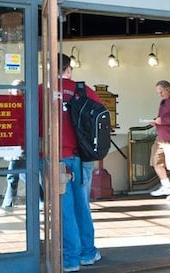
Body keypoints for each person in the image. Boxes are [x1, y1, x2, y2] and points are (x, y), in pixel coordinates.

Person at [56, 53, 102, 271]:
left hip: (56, 157)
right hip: (82, 157)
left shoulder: (41, 91)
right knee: (82, 206)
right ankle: (88, 252)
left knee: (65, 209)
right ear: (69, 69)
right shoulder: (84, 90)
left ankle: (70, 259)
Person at [0, 80, 44, 217]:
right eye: (14, 89)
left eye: (18, 88)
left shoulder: (26, 105)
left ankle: (7, 206)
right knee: (22, 175)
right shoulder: (14, 104)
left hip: (24, 144)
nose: (16, 91)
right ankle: (42, 200)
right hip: (16, 144)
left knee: (13, 175)